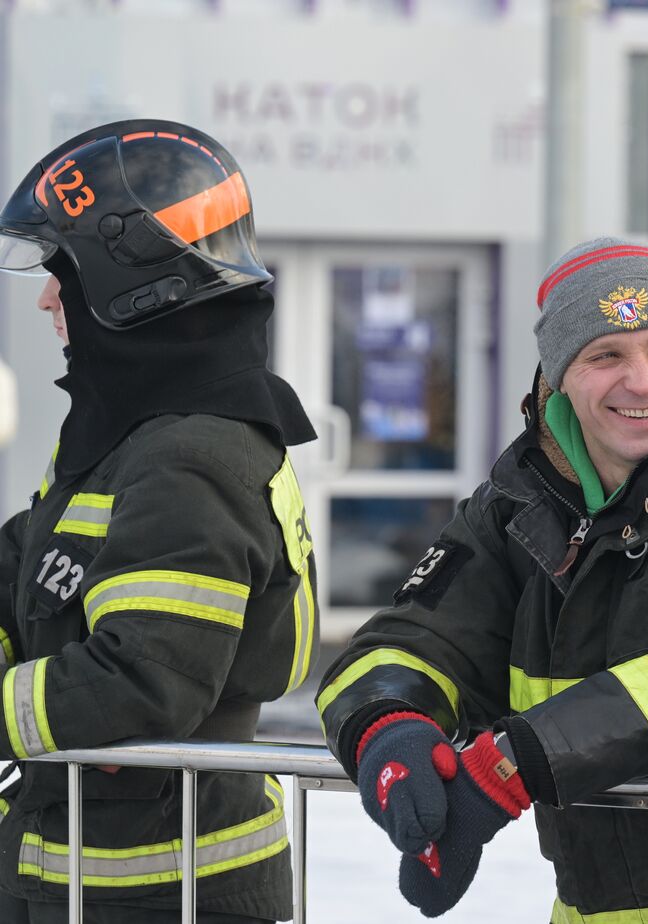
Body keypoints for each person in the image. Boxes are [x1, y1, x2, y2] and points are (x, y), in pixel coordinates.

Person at [316, 237, 648, 920]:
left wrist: (505, 769)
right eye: (605, 356)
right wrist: (389, 727)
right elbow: (412, 637)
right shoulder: (518, 502)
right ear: (557, 378)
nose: (642, 382)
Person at [0, 120, 319, 923]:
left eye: (60, 273)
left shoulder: (190, 454)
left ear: (124, 287)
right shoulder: (135, 435)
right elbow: (31, 576)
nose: (45, 299)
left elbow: (141, 683)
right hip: (88, 874)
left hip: (155, 891)